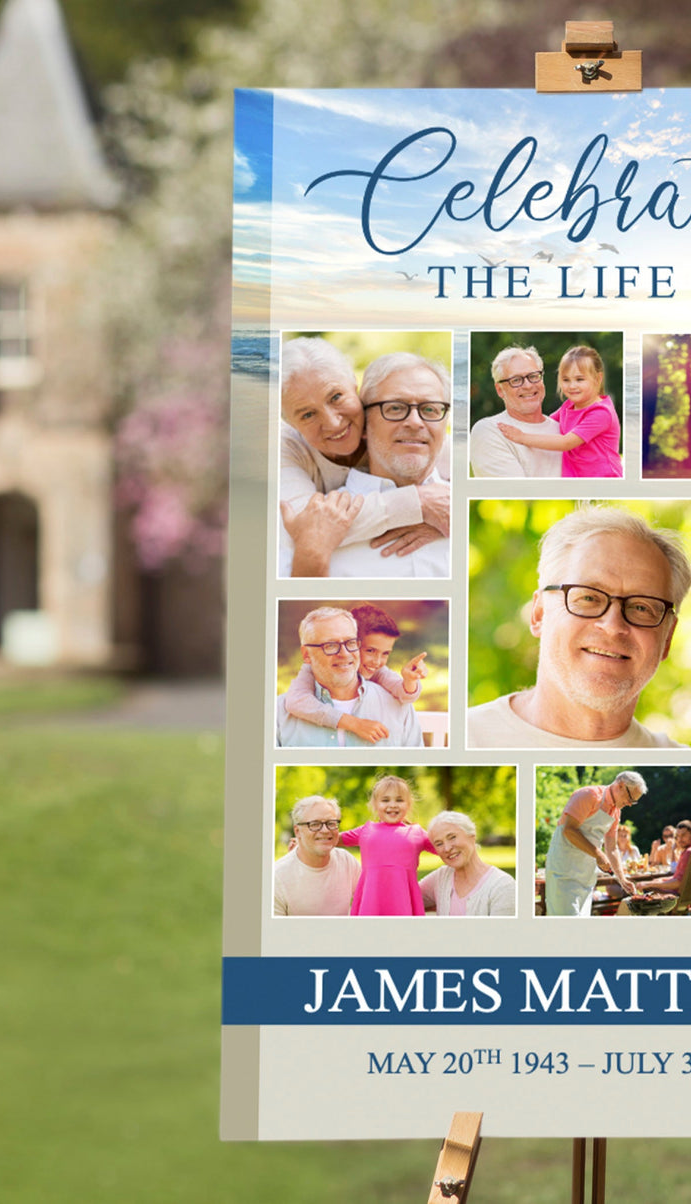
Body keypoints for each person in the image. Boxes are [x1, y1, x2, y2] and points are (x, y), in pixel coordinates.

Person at [468, 505, 691, 748]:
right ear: (539, 614)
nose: (612, 626)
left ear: (668, 638)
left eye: (641, 607)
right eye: (588, 598)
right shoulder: (457, 738)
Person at [278, 338, 451, 575]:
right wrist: (419, 504)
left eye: (336, 397)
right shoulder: (283, 449)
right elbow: (308, 526)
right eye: (395, 408)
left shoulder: (455, 485)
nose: (333, 422)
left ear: (355, 391)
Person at [276, 608, 422, 748]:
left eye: (350, 643)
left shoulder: (394, 700)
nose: (345, 654)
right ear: (307, 655)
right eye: (330, 645)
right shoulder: (282, 707)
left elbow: (402, 690)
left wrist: (410, 681)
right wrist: (353, 723)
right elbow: (295, 701)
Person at [498, 345, 621, 478]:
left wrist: (522, 437)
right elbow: (546, 424)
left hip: (604, 482)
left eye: (580, 379)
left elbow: (566, 443)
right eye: (566, 380)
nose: (572, 386)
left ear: (598, 379)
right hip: (578, 482)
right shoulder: (568, 406)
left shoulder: (601, 413)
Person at [544, 771, 646, 916]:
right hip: (564, 872)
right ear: (621, 786)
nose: (630, 804)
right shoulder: (588, 795)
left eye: (634, 802)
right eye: (630, 798)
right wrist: (598, 854)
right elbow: (569, 830)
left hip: (586, 876)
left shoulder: (616, 812)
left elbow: (612, 848)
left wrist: (622, 879)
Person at [335, 776, 436, 916]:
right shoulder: (366, 830)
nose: (393, 805)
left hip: (402, 901)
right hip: (371, 901)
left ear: (408, 804)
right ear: (375, 804)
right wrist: (304, 840)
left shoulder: (417, 833)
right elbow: (332, 839)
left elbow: (444, 847)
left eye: (399, 800)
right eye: (385, 800)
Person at [469, 346, 563, 478]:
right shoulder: (490, 430)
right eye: (516, 380)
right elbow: (515, 494)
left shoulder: (565, 430)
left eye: (533, 376)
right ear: (500, 390)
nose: (528, 385)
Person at [272, 795, 361, 916]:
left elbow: (370, 904)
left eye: (331, 823)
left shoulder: (347, 862)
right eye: (314, 824)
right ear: (297, 831)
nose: (325, 830)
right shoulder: (276, 877)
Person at [418, 811, 518, 917]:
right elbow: (405, 899)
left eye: (452, 837)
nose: (447, 848)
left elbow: (504, 932)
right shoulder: (441, 877)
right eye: (439, 844)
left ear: (472, 836)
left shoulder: (503, 886)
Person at [646, 820, 691, 894]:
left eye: (683, 835)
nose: (680, 839)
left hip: (677, 894)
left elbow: (678, 882)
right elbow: (678, 877)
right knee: (653, 883)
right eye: (678, 836)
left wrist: (648, 884)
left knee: (647, 888)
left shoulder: (688, 852)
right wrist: (660, 880)